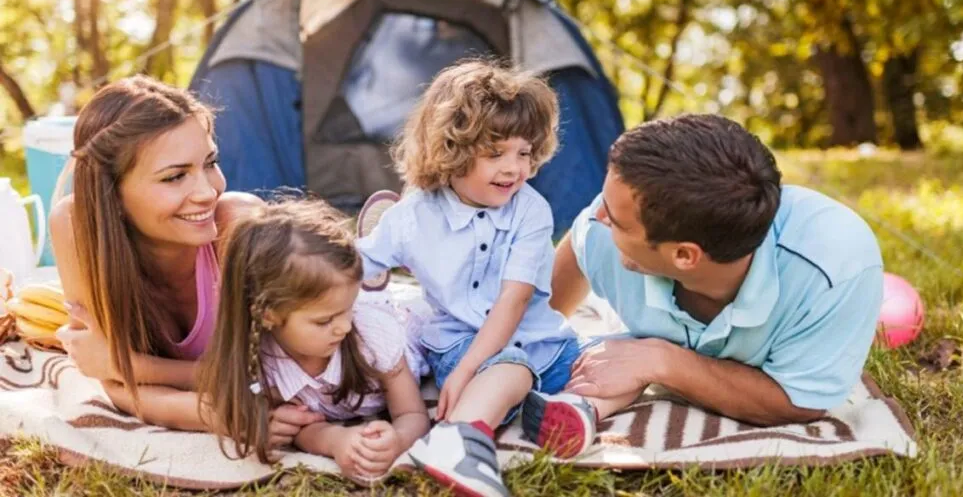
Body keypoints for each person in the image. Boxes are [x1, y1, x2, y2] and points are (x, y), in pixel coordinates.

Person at [357, 61, 635, 497]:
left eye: (524, 152)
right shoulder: (412, 216)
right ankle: (460, 437)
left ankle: (575, 410)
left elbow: (515, 300)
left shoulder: (530, 210)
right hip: (465, 344)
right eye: (495, 153)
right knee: (513, 371)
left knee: (627, 357)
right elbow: (353, 269)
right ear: (450, 149)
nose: (514, 168)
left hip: (541, 341)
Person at [551, 114, 885, 426]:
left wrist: (661, 361)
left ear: (684, 255)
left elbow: (799, 401)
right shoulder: (603, 234)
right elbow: (573, 253)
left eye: (616, 220)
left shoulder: (832, 268)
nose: (599, 217)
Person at [50, 76, 321, 443]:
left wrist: (135, 366)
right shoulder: (76, 226)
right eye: (175, 177)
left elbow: (283, 375)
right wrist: (215, 413)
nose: (208, 191)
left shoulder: (238, 225)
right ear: (111, 193)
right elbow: (111, 381)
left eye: (210, 163)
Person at [196, 199, 430, 480]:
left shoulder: (371, 335)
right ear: (268, 315)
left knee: (433, 319)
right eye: (325, 320)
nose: (344, 327)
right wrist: (336, 441)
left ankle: (392, 247)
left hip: (410, 329)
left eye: (346, 310)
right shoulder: (263, 359)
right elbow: (301, 427)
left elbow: (413, 414)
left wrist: (399, 439)